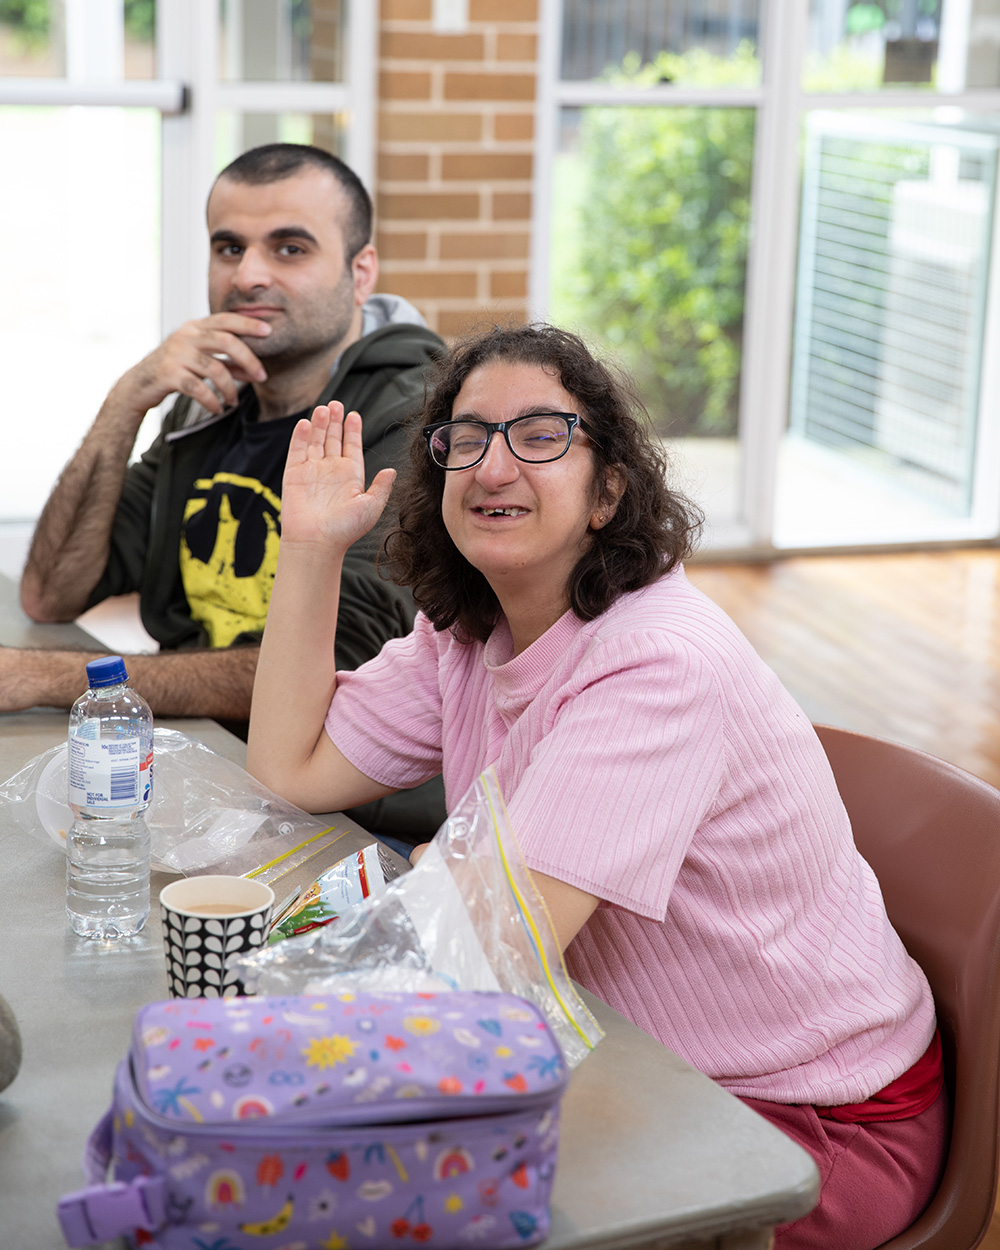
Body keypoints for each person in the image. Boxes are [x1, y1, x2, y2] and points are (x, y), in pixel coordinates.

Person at [246, 323, 947, 1249]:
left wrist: (434, 883)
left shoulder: (657, 662)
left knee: (368, 1202)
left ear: (608, 489)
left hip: (804, 1121)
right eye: (467, 438)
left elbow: (485, 944)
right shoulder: (471, 632)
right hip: (621, 1056)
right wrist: (311, 546)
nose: (494, 467)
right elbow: (289, 768)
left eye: (541, 436)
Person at [8, 142, 446, 840]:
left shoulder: (418, 416)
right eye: (228, 247)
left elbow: (339, 670)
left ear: (361, 273)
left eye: (290, 248)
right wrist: (127, 401)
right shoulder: (208, 401)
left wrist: (45, 680)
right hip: (204, 769)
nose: (250, 275)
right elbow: (51, 593)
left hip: (354, 820)